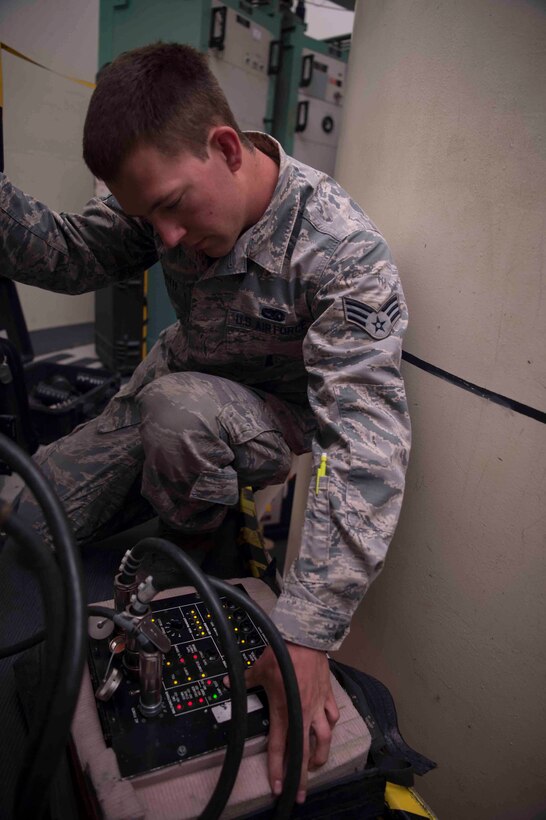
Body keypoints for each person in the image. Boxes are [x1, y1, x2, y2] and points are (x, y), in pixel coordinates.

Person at [0, 43, 411, 803]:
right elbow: (68, 253)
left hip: (266, 417)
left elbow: (363, 449)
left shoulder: (343, 251)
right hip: (179, 386)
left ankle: (195, 545)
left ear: (225, 148)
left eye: (171, 207)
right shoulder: (170, 198)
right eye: (146, 217)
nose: (164, 239)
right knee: (28, 518)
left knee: (177, 413)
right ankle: (162, 489)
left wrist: (307, 632)